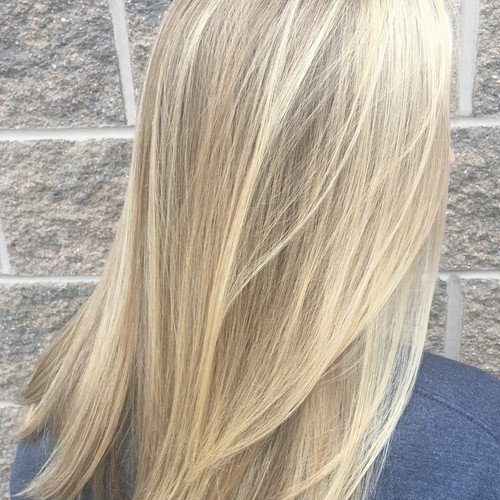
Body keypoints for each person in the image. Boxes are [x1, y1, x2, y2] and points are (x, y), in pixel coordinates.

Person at [9, 0, 500, 498]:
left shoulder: (67, 420)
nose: (450, 158)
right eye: (432, 126)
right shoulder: (474, 444)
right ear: (355, 177)